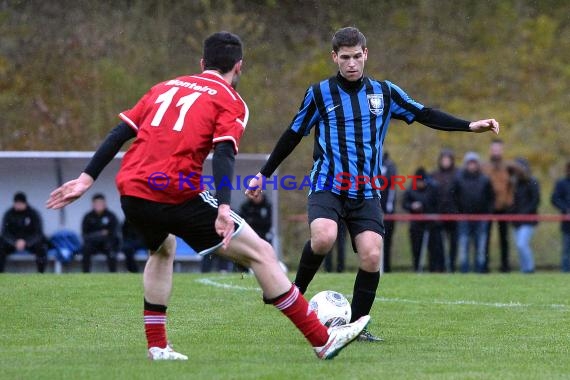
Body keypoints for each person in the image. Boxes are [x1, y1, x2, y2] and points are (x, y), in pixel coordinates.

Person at [46, 31, 369, 361]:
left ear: (202, 63)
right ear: (239, 67)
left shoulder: (164, 88)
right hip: (176, 191)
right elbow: (224, 152)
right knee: (262, 253)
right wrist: (224, 207)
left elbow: (121, 131)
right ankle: (321, 339)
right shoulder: (230, 100)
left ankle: (157, 346)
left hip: (131, 188)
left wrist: (86, 179)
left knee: (161, 249)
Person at [245, 26, 499, 341]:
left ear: (365, 54)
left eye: (356, 57)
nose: (351, 64)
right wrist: (264, 173)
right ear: (334, 57)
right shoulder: (320, 93)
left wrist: (469, 126)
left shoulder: (385, 93)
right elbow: (293, 134)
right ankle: (295, 292)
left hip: (366, 190)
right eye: (345, 58)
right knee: (323, 238)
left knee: (372, 255)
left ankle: (357, 327)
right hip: (328, 183)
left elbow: (424, 113)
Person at [452, 152, 495, 273]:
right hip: (464, 217)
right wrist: (457, 212)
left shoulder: (485, 179)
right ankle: (464, 270)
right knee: (463, 246)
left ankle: (479, 270)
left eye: (474, 163)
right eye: (470, 163)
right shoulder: (458, 179)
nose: (472, 166)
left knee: (481, 246)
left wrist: (487, 213)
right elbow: (453, 197)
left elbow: (491, 198)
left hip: (481, 218)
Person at [402, 168, 443, 272]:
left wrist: (432, 214)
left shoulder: (433, 188)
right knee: (416, 248)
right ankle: (417, 269)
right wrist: (412, 206)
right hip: (416, 224)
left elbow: (438, 204)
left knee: (434, 249)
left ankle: (434, 270)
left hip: (431, 223)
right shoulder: (410, 189)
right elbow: (404, 203)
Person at [482, 139, 514, 272]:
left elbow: (512, 186)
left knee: (504, 239)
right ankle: (484, 266)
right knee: (485, 238)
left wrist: (508, 202)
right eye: (494, 149)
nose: (496, 151)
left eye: (498, 149)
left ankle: (505, 266)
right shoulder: (485, 167)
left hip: (503, 207)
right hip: (488, 207)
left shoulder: (508, 167)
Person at [0, 192, 48, 273]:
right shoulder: (9, 214)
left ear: (25, 203)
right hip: (12, 243)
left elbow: (38, 233)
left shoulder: (33, 214)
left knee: (42, 247)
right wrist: (14, 242)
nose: (18, 205)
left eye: (20, 203)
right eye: (16, 203)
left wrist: (26, 242)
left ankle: (41, 273)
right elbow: (5, 233)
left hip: (30, 242)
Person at [508, 158, 540, 274]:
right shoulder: (513, 183)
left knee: (521, 244)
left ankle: (530, 268)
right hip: (516, 220)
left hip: (528, 220)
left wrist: (524, 213)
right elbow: (511, 201)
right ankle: (524, 270)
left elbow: (535, 200)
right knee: (519, 246)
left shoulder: (533, 181)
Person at [430, 148, 459, 272]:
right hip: (438, 213)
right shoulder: (434, 175)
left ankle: (451, 266)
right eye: (444, 159)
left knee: (454, 243)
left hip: (454, 214)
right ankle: (439, 267)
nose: (446, 162)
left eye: (448, 159)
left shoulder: (458, 175)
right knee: (438, 244)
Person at [81, 193, 120, 273]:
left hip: (107, 244)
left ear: (105, 203)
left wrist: (100, 235)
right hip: (93, 244)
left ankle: (113, 274)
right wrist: (100, 234)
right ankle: (85, 274)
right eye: (97, 203)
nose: (99, 205)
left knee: (111, 248)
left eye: (101, 203)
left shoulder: (111, 216)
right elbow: (85, 235)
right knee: (86, 249)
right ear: (93, 204)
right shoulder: (88, 217)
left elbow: (113, 233)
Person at [551, 160, 570, 272]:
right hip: (567, 224)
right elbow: (555, 199)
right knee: (566, 250)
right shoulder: (561, 184)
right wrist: (566, 209)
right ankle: (565, 272)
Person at [380, 152, 397, 273]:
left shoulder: (390, 166)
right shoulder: (369, 161)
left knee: (386, 242)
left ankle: (386, 268)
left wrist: (389, 207)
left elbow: (392, 188)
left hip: (387, 213)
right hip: (371, 209)